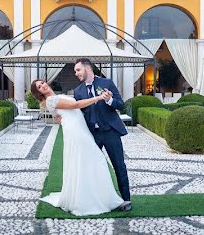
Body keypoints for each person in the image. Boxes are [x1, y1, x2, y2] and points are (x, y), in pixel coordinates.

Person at [32, 78, 125, 216]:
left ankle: (94, 195)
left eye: (43, 83)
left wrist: (58, 117)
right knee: (94, 159)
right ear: (38, 92)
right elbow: (75, 105)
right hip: (75, 132)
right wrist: (98, 97)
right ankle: (86, 200)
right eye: (39, 87)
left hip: (81, 128)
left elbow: (58, 116)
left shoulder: (55, 97)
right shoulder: (51, 100)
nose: (43, 86)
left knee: (89, 161)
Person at [72, 57, 131, 211]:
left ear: (87, 68)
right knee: (92, 168)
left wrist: (110, 100)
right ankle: (97, 200)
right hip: (93, 135)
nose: (76, 73)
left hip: (111, 132)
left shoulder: (107, 83)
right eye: (75, 71)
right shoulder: (78, 91)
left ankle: (126, 200)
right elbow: (78, 112)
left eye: (78, 70)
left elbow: (121, 104)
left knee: (119, 166)